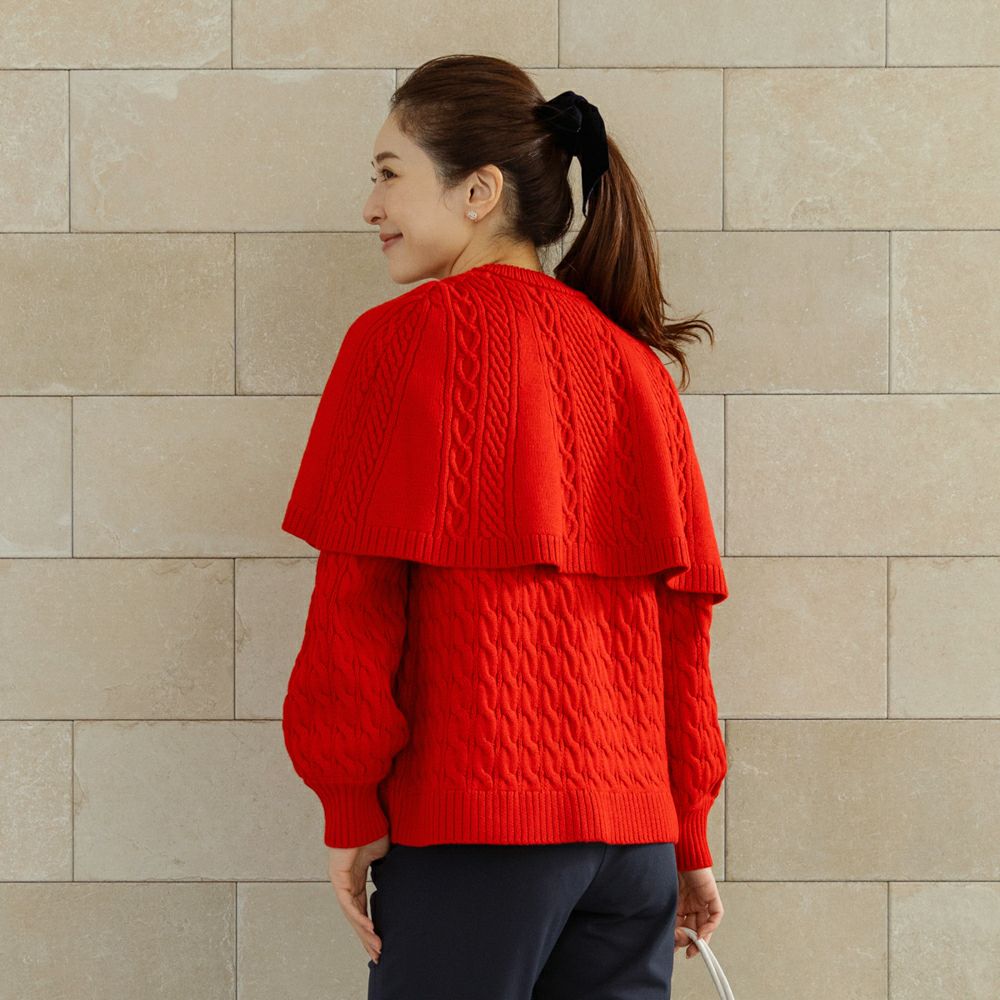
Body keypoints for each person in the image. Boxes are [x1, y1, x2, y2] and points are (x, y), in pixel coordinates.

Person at [281, 53, 728, 1000]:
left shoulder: (397, 341)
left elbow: (355, 606)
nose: (370, 206)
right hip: (635, 847)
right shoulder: (634, 367)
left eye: (389, 172)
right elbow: (682, 632)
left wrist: (348, 806)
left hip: (477, 835)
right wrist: (687, 835)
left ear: (479, 190)